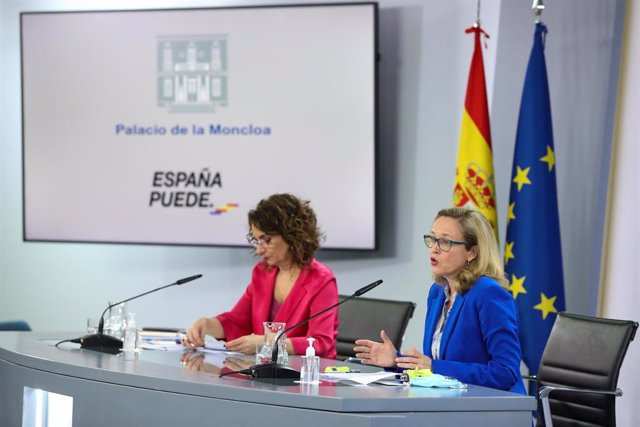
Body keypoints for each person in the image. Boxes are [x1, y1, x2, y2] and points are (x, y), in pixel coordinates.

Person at [354, 207, 525, 393]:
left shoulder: (488, 294)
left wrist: (434, 367)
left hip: (493, 406)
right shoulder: (438, 292)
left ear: (472, 252)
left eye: (445, 242)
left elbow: (505, 372)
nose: (434, 248)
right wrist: (396, 360)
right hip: (448, 401)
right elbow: (432, 368)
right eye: (433, 239)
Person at [184, 193, 339, 358]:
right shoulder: (262, 272)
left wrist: (269, 343)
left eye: (267, 240)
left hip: (308, 371)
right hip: (265, 369)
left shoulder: (321, 280)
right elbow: (237, 321)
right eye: (257, 241)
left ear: (292, 236)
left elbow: (321, 343)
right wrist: (207, 325)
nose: (258, 250)